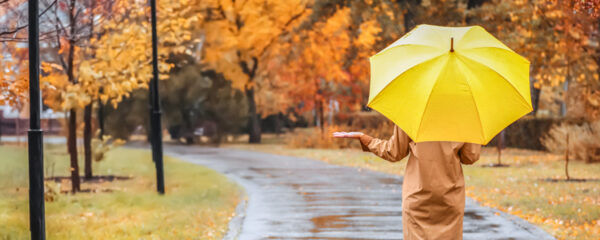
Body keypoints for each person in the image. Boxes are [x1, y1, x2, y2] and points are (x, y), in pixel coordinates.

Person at [334, 125, 481, 240]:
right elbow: (470, 156)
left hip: (418, 196)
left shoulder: (413, 110)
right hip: (450, 198)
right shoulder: (464, 115)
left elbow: (393, 151)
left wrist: (365, 138)